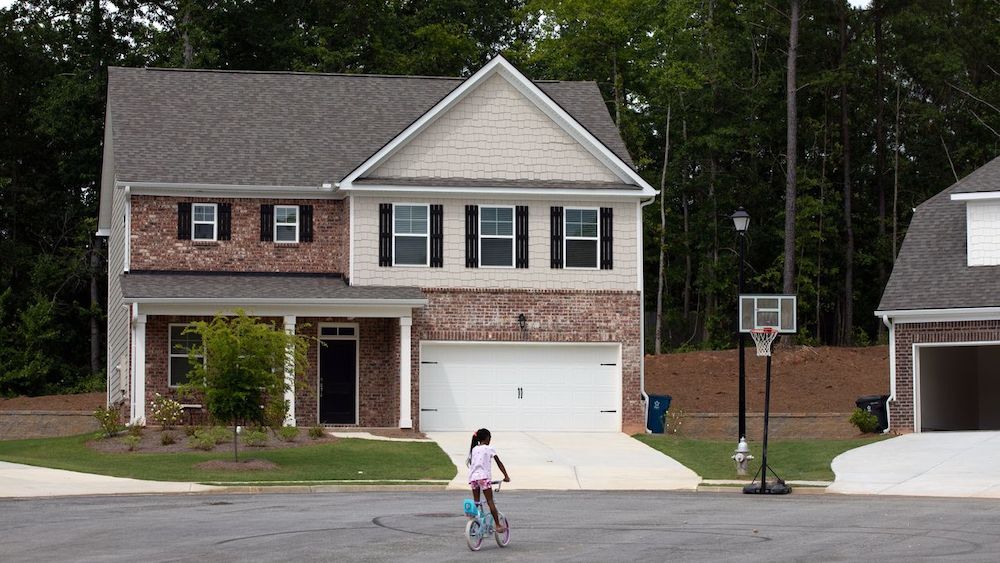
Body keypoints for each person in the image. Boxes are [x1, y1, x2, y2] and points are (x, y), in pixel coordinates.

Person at [467, 428, 510, 532]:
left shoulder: (474, 449)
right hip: (484, 477)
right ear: (487, 438)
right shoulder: (489, 448)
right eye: (490, 437)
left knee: (476, 502)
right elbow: (499, 463)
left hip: (473, 478)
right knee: (490, 501)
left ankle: (473, 525)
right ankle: (498, 525)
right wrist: (506, 476)